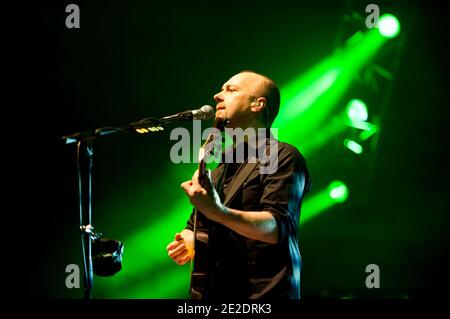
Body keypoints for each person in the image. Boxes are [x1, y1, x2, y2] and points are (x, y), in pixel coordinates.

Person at [166, 71, 311, 299]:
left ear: (258, 104)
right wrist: (189, 239)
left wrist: (217, 211)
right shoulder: (222, 167)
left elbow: (276, 228)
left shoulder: (284, 156)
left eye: (231, 90)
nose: (217, 96)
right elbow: (199, 227)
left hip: (264, 295)